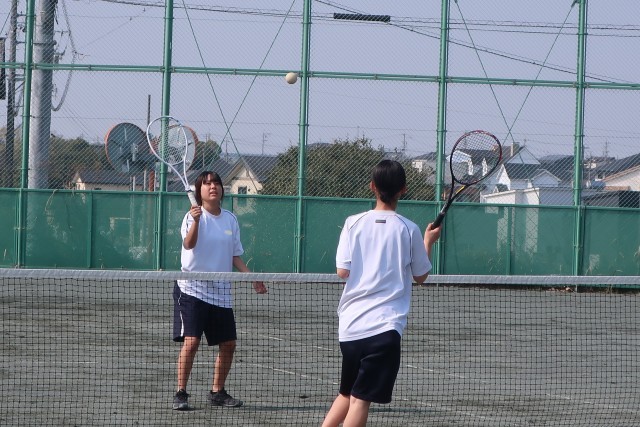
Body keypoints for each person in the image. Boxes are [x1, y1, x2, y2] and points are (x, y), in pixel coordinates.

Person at [322, 160, 441, 427]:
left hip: (350, 327)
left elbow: (342, 271)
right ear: (403, 189)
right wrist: (428, 242)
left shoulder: (352, 223)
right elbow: (420, 276)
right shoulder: (409, 229)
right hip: (384, 329)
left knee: (347, 393)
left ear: (372, 186)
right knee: (360, 400)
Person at [172, 171, 267, 411]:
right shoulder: (191, 216)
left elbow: (235, 255)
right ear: (199, 191)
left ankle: (217, 392)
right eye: (206, 184)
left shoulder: (230, 220)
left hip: (221, 291)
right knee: (192, 342)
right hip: (192, 288)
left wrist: (251, 278)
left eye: (216, 183)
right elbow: (189, 244)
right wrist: (196, 221)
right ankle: (181, 393)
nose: (212, 186)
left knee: (229, 344)